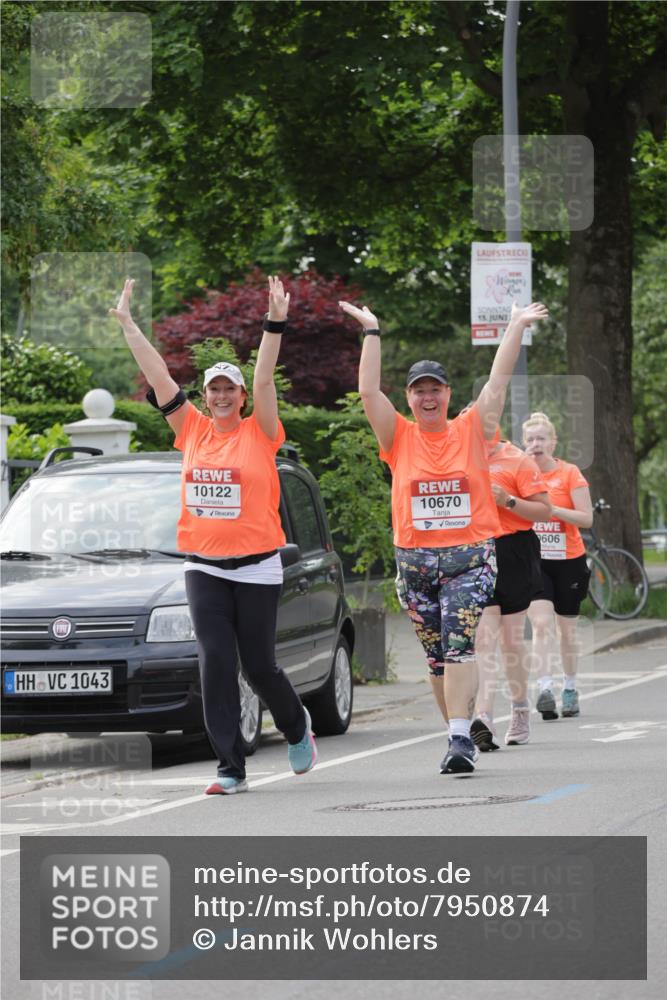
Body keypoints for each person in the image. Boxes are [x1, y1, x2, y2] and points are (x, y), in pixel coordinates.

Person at [109, 276, 316, 795]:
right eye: (214, 389)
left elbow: (266, 377)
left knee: (260, 666)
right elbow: (158, 377)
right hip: (202, 564)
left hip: (257, 564)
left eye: (230, 389)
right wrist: (130, 326)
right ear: (205, 396)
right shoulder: (192, 429)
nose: (222, 396)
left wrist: (274, 323)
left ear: (242, 397)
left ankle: (296, 727)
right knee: (216, 663)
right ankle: (229, 767)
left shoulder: (261, 430)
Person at [339, 298, 549, 774]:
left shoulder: (472, 429)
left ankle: (459, 738)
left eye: (435, 389)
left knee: (458, 646)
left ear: (449, 394)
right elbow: (369, 393)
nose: (427, 397)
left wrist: (514, 326)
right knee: (436, 658)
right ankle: (455, 732)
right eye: (419, 391)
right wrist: (372, 332)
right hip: (415, 560)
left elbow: (497, 382)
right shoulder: (398, 437)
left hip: (469, 557)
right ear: (410, 398)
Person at [470, 436, 552, 751]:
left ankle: (520, 709)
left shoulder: (517, 460)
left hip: (513, 549)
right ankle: (484, 717)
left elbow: (544, 512)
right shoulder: (459, 458)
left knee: (511, 640)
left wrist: (508, 500)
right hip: (476, 551)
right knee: (483, 639)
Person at [522, 411, 593, 720]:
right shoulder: (520, 474)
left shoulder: (570, 473)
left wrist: (552, 511)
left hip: (569, 560)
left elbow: (586, 518)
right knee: (539, 624)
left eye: (541, 438)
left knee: (566, 631)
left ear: (553, 442)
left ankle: (570, 687)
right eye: (530, 439)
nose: (535, 444)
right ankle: (545, 689)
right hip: (536, 562)